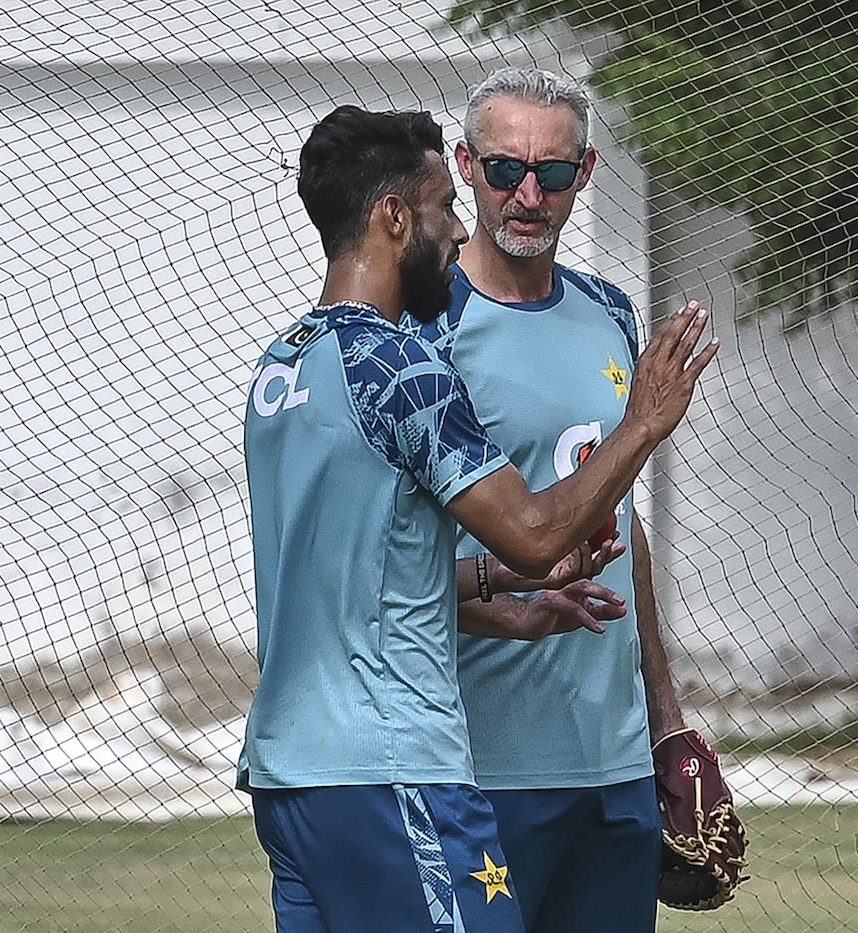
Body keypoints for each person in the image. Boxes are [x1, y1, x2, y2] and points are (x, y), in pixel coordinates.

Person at [238, 104, 717, 933]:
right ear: (394, 218)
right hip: (394, 769)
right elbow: (532, 526)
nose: (459, 232)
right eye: (444, 206)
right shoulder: (403, 364)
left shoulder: (286, 362)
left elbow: (366, 580)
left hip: (290, 775)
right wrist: (641, 422)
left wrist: (510, 589)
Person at [408, 68, 745, 932]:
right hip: (480, 763)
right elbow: (389, 556)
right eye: (503, 170)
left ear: (585, 175)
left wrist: (666, 722)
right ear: (463, 165)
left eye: (552, 174)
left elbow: (621, 520)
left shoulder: (608, 313)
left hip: (614, 761)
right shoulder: (420, 329)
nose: (527, 194)